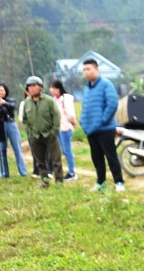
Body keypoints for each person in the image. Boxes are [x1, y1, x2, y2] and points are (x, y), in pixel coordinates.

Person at [79, 58, 125, 192]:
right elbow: (85, 107)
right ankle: (101, 182)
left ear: (96, 69)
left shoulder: (106, 84)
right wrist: (84, 122)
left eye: (88, 69)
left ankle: (119, 182)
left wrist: (102, 120)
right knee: (97, 158)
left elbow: (112, 104)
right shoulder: (87, 88)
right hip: (91, 130)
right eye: (84, 70)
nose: (86, 72)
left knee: (111, 156)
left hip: (105, 129)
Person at [20, 76, 64, 188]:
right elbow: (24, 119)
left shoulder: (49, 101)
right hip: (35, 136)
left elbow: (56, 116)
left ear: (40, 87)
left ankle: (59, 181)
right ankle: (45, 181)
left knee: (56, 160)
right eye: (29, 86)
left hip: (50, 134)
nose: (32, 88)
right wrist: (29, 132)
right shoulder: (26, 103)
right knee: (40, 162)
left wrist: (54, 132)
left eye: (34, 85)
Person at [0, 83, 28, 178]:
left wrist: (4, 103)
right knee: (2, 149)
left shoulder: (9, 100)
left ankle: (23, 172)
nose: (0, 92)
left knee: (17, 148)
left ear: (6, 92)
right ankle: (4, 173)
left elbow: (12, 107)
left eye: (2, 90)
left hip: (10, 124)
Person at [49, 80, 78, 180]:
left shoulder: (66, 98)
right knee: (64, 151)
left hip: (66, 127)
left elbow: (70, 112)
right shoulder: (55, 100)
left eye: (52, 88)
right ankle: (70, 170)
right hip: (59, 128)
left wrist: (72, 120)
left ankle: (72, 172)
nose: (51, 90)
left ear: (57, 88)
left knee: (67, 150)